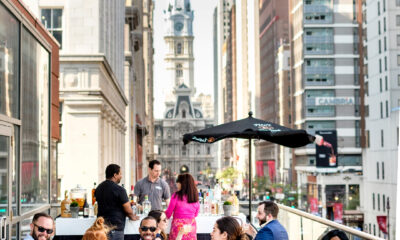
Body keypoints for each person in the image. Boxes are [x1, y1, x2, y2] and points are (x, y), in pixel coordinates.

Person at [95, 164, 140, 240]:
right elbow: (128, 209)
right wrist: (132, 216)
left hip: (100, 229)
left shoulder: (98, 188)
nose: (121, 176)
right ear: (115, 175)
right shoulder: (120, 190)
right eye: (120, 174)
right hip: (114, 230)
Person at [165, 173, 200, 240]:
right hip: (191, 226)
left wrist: (161, 213)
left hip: (178, 227)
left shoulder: (176, 196)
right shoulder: (195, 197)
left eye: (178, 182)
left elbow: (168, 214)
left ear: (182, 184)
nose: (177, 184)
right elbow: (196, 214)